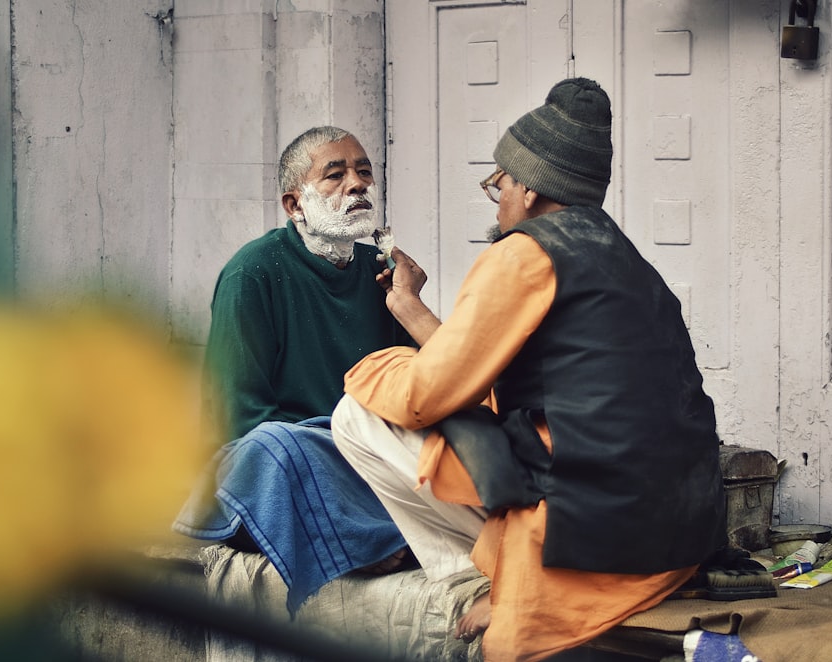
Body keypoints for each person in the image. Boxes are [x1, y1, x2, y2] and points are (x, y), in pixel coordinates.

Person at [331, 78, 726, 660]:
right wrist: (411, 310)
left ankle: (493, 579)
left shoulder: (522, 251)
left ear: (532, 190)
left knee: (359, 411)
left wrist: (371, 368)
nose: (499, 198)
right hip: (674, 534)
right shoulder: (628, 260)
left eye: (500, 184)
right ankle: (503, 572)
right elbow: (489, 374)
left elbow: (428, 393)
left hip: (590, 537)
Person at [172, 126, 415, 614]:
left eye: (364, 172)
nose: (357, 184)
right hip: (288, 458)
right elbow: (237, 418)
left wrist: (410, 303)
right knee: (273, 446)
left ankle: (364, 527)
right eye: (335, 175)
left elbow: (419, 387)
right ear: (294, 203)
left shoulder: (383, 273)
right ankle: (357, 538)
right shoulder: (253, 272)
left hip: (362, 454)